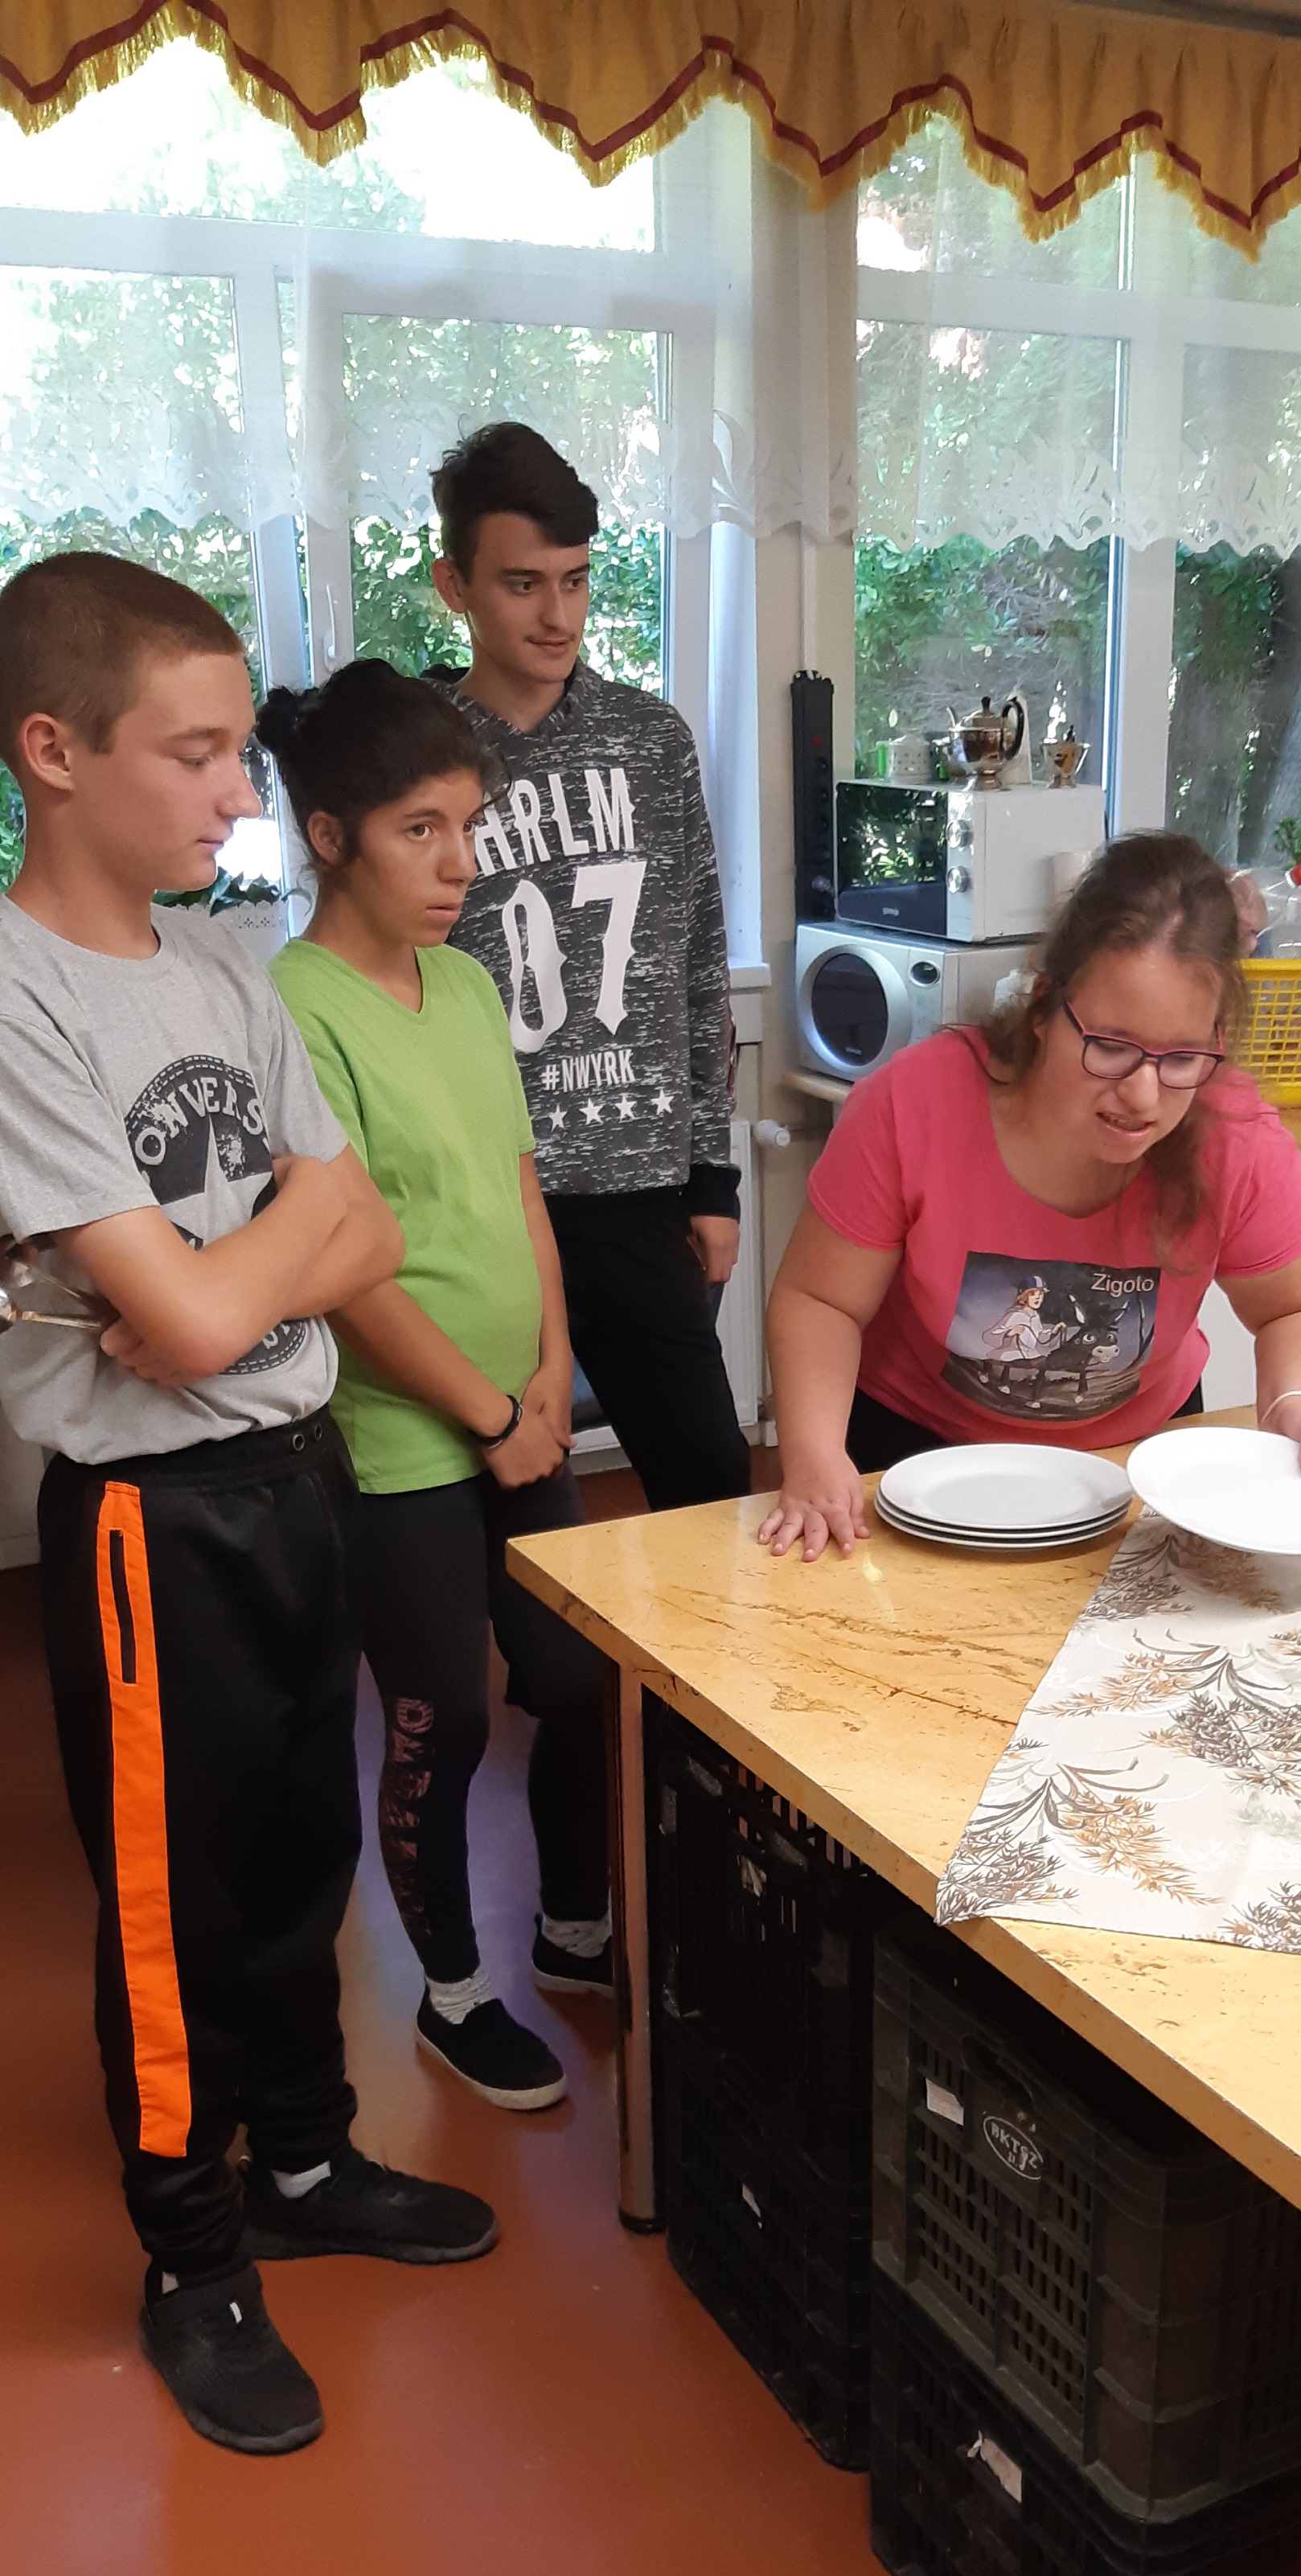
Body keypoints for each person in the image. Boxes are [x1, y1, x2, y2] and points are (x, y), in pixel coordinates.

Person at [0, 553, 499, 2459]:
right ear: (55, 751)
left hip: (295, 1471)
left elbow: (342, 1232)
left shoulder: (221, 965)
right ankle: (193, 2254)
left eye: (238, 752)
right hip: (152, 1525)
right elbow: (248, 1281)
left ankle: (302, 2161)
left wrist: (227, 1279)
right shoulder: (18, 994)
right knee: (172, 1910)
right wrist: (253, 1268)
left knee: (304, 1852)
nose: (237, 792)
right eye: (196, 752)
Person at [261, 660, 612, 2112]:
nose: (461, 862)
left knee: (582, 1679)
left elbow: (521, 1195)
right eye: (422, 829)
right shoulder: (292, 1006)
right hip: (404, 1435)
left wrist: (551, 1372)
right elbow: (342, 1266)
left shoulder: (464, 982)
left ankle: (575, 1929)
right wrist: (486, 1412)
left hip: (525, 1409)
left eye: (469, 825)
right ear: (329, 834)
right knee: (441, 1719)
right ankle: (453, 1991)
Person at [759, 833, 1301, 1561]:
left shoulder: (1236, 1137)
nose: (1143, 1095)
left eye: (1181, 1057)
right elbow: (821, 1299)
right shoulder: (912, 1104)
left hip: (1141, 1458)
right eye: (1111, 1045)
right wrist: (814, 1451)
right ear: (1044, 1007)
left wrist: (1295, 1398)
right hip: (918, 1450)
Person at [425, 419, 749, 1513]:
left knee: (710, 1487)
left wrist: (712, 1179)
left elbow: (698, 964)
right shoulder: (418, 756)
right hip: (485, 1201)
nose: (556, 615)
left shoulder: (652, 740)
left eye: (574, 580)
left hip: (638, 1188)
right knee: (519, 1506)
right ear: (455, 586)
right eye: (522, 584)